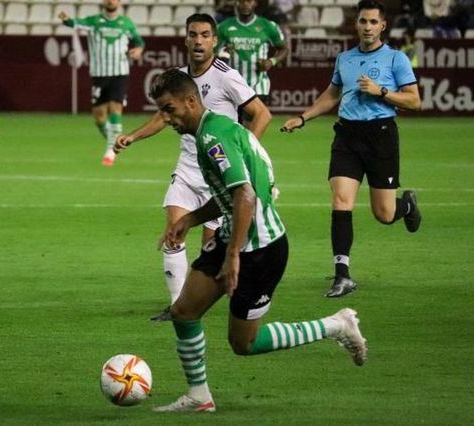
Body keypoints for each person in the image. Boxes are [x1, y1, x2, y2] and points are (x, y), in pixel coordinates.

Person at [147, 69, 367, 413]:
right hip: (232, 237)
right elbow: (229, 195)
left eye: (169, 109)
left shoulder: (213, 139)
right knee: (184, 312)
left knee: (244, 343)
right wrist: (188, 219)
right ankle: (199, 397)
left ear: (191, 100)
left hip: (260, 250)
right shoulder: (214, 130)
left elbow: (245, 196)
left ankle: (336, 325)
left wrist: (233, 255)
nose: (167, 119)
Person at [114, 13, 272, 311]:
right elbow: (164, 116)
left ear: (214, 40)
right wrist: (133, 137)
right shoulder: (179, 78)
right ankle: (176, 306)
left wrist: (246, 153)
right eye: (192, 34)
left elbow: (261, 114)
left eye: (204, 35)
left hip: (220, 171)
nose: (198, 40)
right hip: (188, 167)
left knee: (208, 248)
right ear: (185, 39)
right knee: (174, 231)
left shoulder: (226, 75)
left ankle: (201, 301)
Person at [281, 0, 422, 298]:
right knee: (341, 200)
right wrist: (303, 117)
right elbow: (332, 95)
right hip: (346, 136)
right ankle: (342, 275)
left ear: (383, 25)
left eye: (373, 22)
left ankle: (406, 205)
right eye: (362, 21)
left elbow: (414, 100)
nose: (367, 27)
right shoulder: (344, 58)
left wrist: (381, 91)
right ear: (356, 24)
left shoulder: (396, 59)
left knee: (384, 214)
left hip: (381, 135)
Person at [57, 0, 145, 166]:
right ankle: (112, 140)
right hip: (99, 75)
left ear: (119, 2)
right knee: (99, 117)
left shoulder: (126, 23)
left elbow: (139, 41)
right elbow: (74, 23)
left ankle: (111, 152)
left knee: (115, 107)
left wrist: (138, 50)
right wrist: (66, 19)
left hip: (120, 72)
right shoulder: (94, 21)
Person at [216, 0, 289, 106]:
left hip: (258, 85)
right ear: (236, 3)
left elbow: (284, 49)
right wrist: (220, 57)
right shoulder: (223, 27)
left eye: (249, 1)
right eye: (241, 1)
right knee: (234, 122)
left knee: (252, 120)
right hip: (232, 86)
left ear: (255, 3)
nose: (245, 4)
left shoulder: (268, 26)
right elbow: (211, 53)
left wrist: (271, 61)